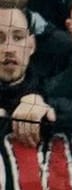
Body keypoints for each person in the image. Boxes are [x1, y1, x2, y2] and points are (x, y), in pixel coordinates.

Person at [0, 5, 54, 145]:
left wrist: (42, 103)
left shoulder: (54, 91)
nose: (9, 49)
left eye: (18, 37)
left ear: (31, 45)